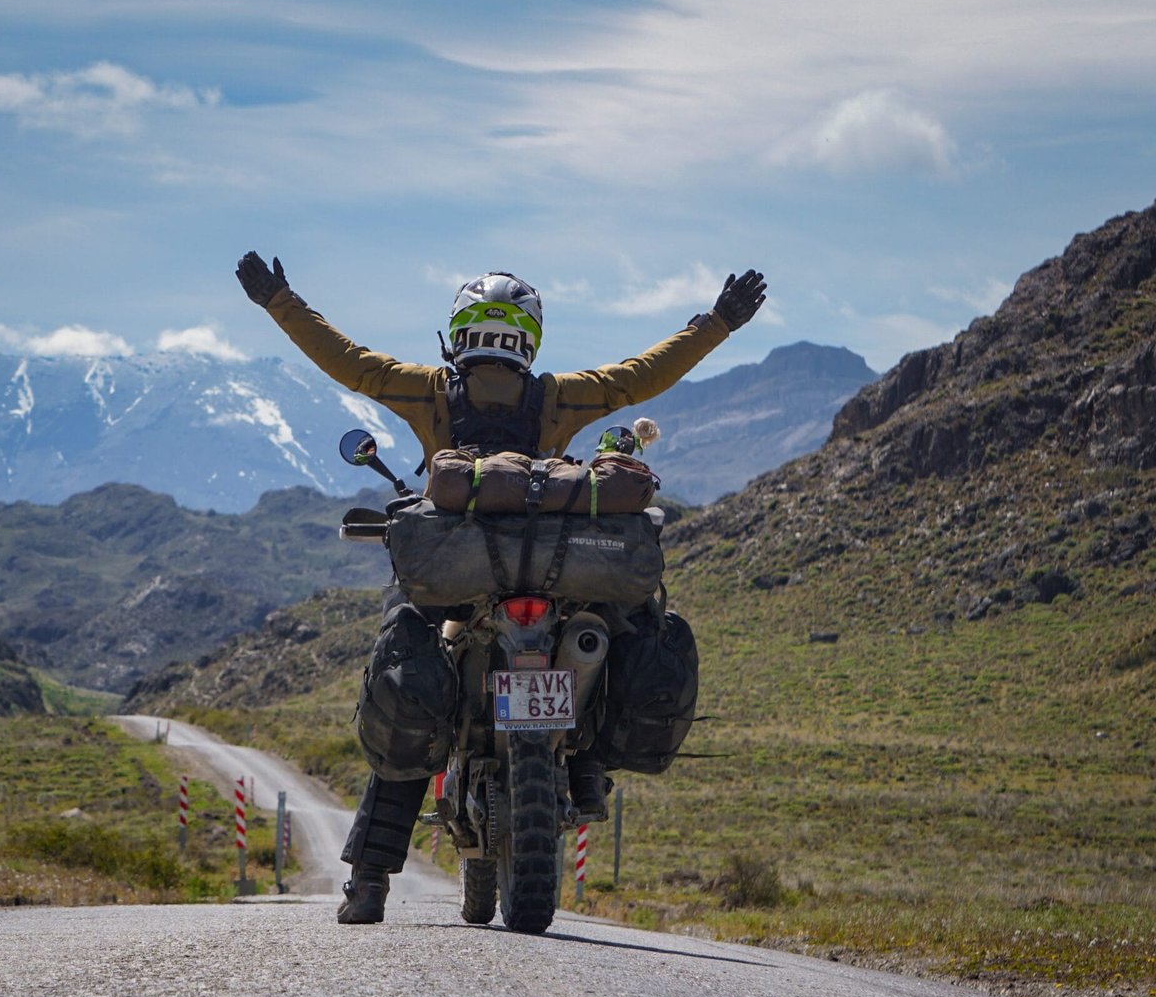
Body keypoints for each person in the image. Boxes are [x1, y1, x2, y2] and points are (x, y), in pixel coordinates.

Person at [235, 253, 768, 923]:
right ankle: (587, 772)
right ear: (529, 337)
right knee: (612, 636)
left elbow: (348, 359)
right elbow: (642, 375)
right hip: (556, 574)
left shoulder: (427, 390)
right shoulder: (558, 397)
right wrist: (720, 321)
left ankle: (369, 881)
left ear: (460, 332)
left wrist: (280, 300)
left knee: (410, 695)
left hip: (455, 582)